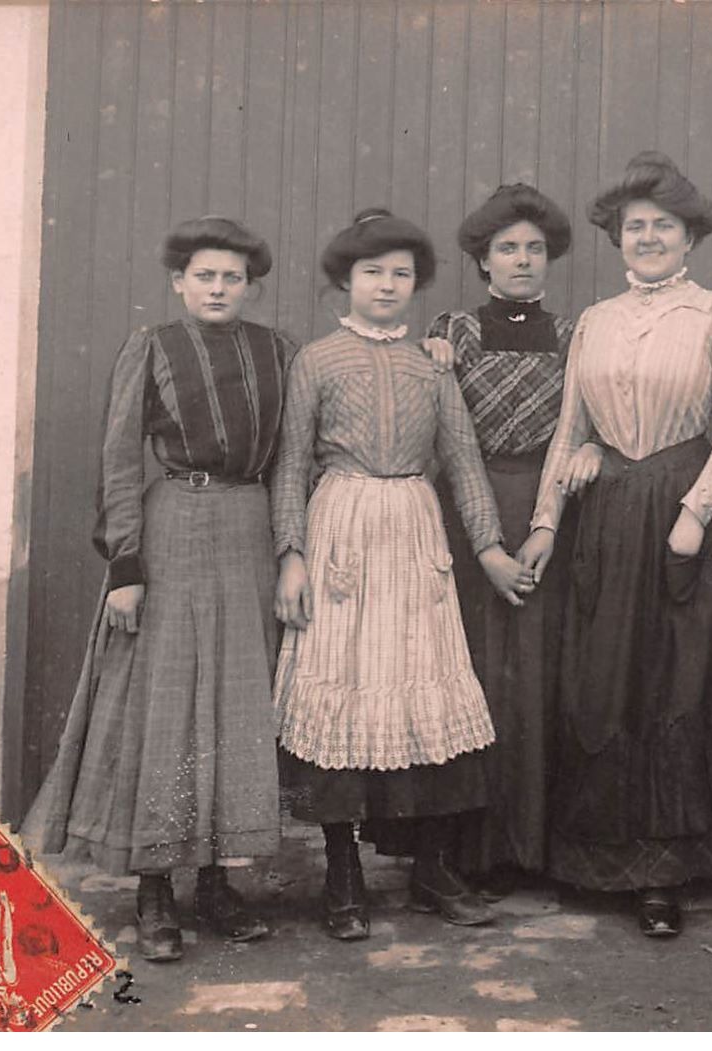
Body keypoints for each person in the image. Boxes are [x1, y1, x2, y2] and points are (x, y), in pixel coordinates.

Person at [23, 216, 290, 962]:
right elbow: (117, 460)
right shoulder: (153, 347)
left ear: (250, 285)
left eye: (230, 277)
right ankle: (153, 889)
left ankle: (215, 882)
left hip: (249, 528)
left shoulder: (277, 350)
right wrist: (127, 567)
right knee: (167, 707)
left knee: (235, 706)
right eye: (203, 275)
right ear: (179, 282)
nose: (217, 287)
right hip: (172, 524)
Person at [518, 152, 712, 938]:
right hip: (609, 518)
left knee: (673, 682)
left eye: (663, 226)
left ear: (688, 237)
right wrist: (547, 522)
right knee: (603, 680)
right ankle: (597, 858)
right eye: (634, 228)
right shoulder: (594, 320)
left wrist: (694, 510)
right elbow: (571, 430)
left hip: (683, 515)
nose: (648, 238)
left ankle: (665, 875)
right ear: (616, 239)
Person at [270, 208, 529, 940]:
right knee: (346, 695)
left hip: (415, 535)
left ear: (417, 284)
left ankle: (432, 869)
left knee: (425, 688)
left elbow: (465, 462)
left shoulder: (431, 364)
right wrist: (290, 555)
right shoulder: (316, 361)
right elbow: (290, 463)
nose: (387, 286)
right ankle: (341, 874)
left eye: (401, 274)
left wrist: (489, 549)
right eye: (372, 272)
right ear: (344, 281)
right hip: (341, 531)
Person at [426, 184, 585, 891]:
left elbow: (587, 427)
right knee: (478, 672)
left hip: (550, 515)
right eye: (506, 249)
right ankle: (470, 851)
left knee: (543, 674)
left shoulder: (574, 334)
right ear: (483, 261)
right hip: (469, 512)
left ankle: (538, 848)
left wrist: (569, 487)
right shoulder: (449, 333)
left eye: (534, 249)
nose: (522, 261)